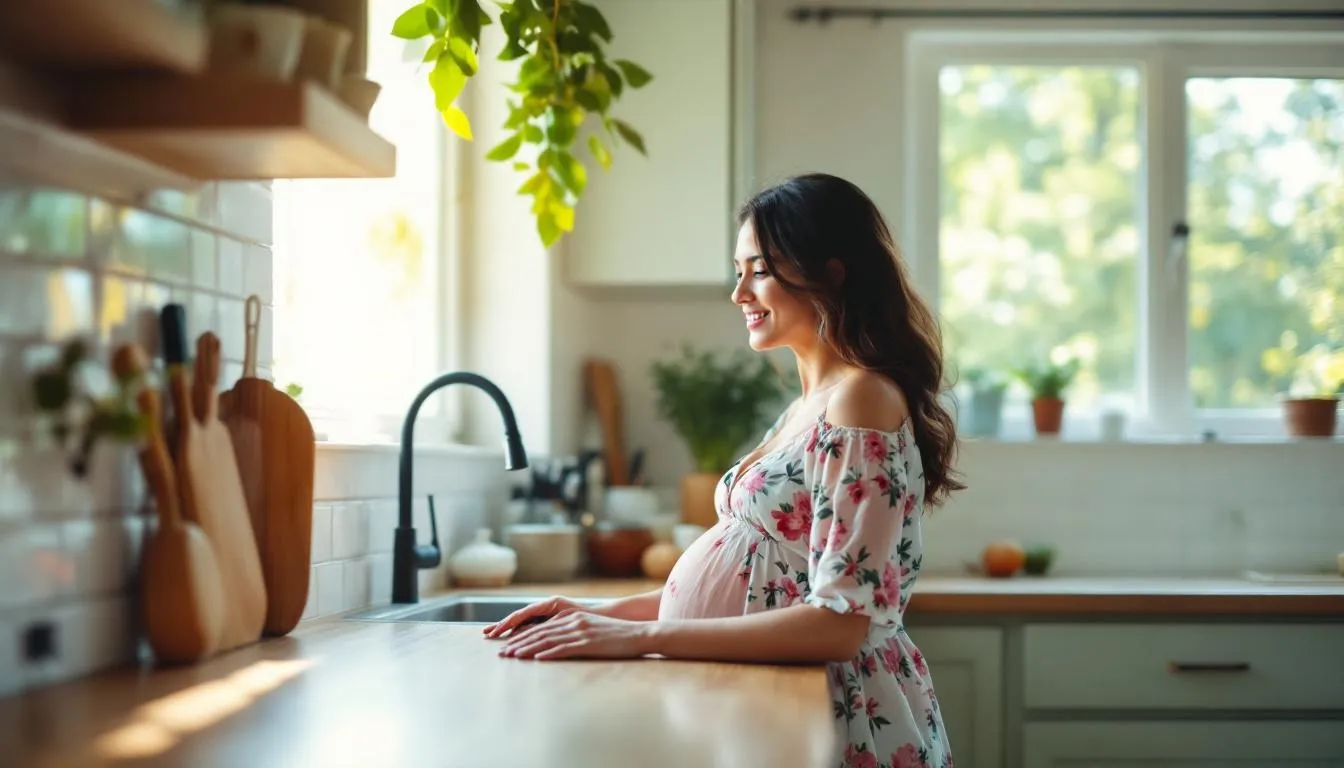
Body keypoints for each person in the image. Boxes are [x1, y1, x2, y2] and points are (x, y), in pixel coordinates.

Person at [483, 172, 964, 768]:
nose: (739, 292)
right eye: (739, 270)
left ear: (832, 273)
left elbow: (841, 623)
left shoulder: (861, 400)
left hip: (841, 713)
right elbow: (767, 580)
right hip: (769, 701)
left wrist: (640, 638)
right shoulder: (806, 408)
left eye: (758, 270)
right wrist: (601, 612)